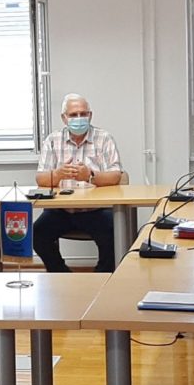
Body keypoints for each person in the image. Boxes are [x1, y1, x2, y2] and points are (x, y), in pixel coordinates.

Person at [32, 93, 123, 272]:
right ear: (64, 118)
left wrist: (90, 176)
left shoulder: (104, 138)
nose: (79, 118)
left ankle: (101, 279)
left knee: (115, 235)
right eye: (73, 115)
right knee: (36, 234)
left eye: (83, 114)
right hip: (61, 211)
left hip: (96, 211)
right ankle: (62, 274)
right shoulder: (53, 140)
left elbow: (116, 176)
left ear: (90, 115)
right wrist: (58, 174)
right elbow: (40, 179)